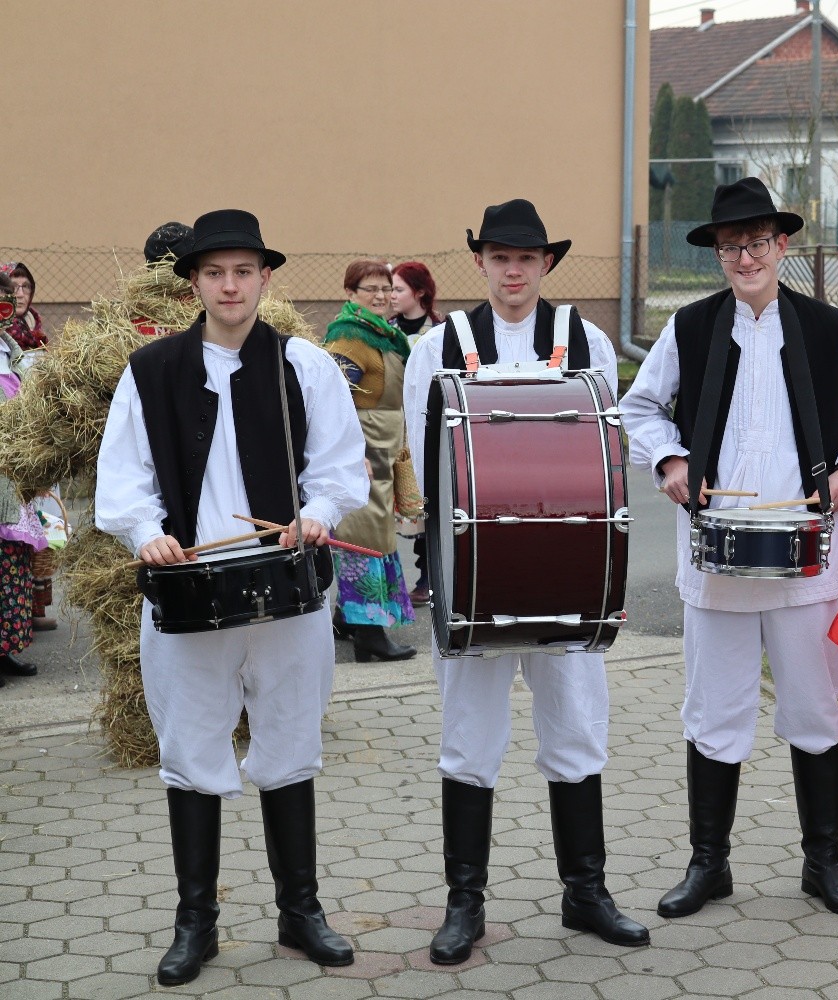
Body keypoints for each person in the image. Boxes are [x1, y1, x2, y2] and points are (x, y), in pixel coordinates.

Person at [94, 210, 370, 984]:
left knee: (290, 740)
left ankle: (300, 912)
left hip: (286, 589)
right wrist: (145, 532)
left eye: (243, 271)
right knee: (190, 748)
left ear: (265, 278)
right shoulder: (151, 370)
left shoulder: (303, 366)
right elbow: (124, 475)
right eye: (214, 273)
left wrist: (316, 515)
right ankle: (196, 924)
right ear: (193, 283)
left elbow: (340, 466)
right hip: (189, 593)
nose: (230, 286)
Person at [619, 177, 838, 919]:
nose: (746, 257)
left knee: (816, 706)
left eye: (759, 242)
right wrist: (670, 459)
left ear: (783, 244)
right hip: (717, 558)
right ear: (717, 253)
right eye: (732, 246)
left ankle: (823, 862)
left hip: (807, 555)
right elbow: (639, 408)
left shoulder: (827, 328)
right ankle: (709, 864)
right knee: (714, 710)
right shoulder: (690, 328)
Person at [403, 199, 647, 961]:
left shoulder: (587, 339)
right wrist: (447, 568)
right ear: (481, 261)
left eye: (527, 258)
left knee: (576, 731)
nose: (513, 271)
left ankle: (586, 893)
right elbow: (428, 460)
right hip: (474, 578)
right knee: (468, 741)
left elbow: (606, 453)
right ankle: (464, 904)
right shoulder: (439, 345)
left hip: (566, 571)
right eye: (501, 257)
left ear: (546, 264)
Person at [323, 260, 417, 661]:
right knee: (362, 536)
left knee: (377, 533)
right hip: (363, 450)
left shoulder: (384, 334)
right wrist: (351, 453)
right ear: (350, 293)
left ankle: (347, 619)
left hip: (384, 446)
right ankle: (369, 635)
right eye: (370, 289)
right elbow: (333, 401)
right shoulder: (349, 337)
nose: (381, 296)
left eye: (386, 288)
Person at [0, 261, 54, 630]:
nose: (17, 298)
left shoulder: (14, 348)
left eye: (22, 290)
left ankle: (12, 637)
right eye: (10, 292)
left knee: (17, 557)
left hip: (17, 470)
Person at [389, 260, 445, 606]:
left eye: (398, 289)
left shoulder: (439, 333)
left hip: (425, 425)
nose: (391, 295)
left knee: (426, 500)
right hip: (394, 427)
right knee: (399, 506)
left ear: (420, 292)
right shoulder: (386, 331)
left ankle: (428, 577)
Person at [0, 272, 43, 683]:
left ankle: (5, 650)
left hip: (12, 481)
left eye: (4, 305)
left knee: (12, 568)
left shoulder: (11, 352)